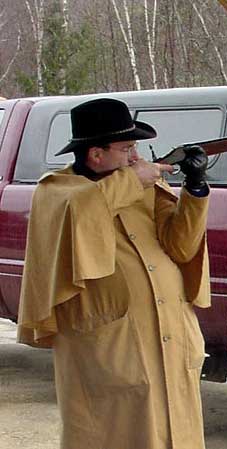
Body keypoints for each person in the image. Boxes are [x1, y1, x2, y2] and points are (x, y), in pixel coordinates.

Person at [17, 98, 211, 449]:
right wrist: (132, 181)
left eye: (134, 148)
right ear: (96, 154)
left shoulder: (139, 187)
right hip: (110, 350)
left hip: (169, 336)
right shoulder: (58, 192)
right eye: (126, 149)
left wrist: (195, 188)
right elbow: (82, 211)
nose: (135, 157)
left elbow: (181, 247)